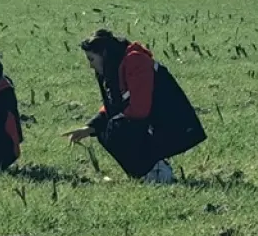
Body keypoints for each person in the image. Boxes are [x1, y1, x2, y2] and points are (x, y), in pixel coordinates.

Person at [63, 29, 206, 184]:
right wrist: (90, 128)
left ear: (104, 54)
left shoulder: (135, 61)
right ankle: (143, 174)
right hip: (152, 122)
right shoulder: (112, 69)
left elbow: (140, 109)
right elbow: (113, 107)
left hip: (174, 125)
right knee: (105, 131)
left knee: (115, 129)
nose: (90, 66)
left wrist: (112, 123)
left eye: (91, 59)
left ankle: (158, 173)